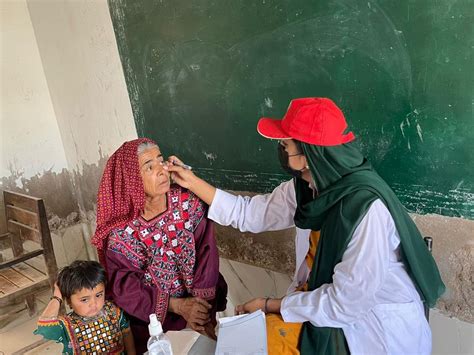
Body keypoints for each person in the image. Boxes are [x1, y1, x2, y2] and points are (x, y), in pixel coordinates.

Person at [166, 98, 445, 354]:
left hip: (371, 331)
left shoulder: (366, 211)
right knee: (244, 338)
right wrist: (191, 182)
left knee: (253, 341)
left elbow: (345, 304)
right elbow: (249, 214)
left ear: (309, 154)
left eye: (286, 145)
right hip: (325, 307)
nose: (281, 150)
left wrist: (269, 305)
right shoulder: (307, 188)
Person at [91, 138, 227, 353]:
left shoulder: (188, 202)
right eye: (149, 167)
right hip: (156, 322)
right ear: (132, 179)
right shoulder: (122, 233)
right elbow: (126, 288)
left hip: (201, 307)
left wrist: (200, 313)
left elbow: (207, 254)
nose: (162, 171)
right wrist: (179, 306)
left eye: (161, 161)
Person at [35, 260, 135, 354]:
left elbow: (127, 333)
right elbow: (45, 328)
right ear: (69, 301)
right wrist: (57, 297)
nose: (93, 303)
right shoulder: (66, 326)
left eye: (99, 295)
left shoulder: (113, 311)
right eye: (84, 300)